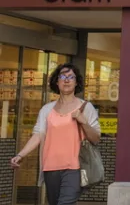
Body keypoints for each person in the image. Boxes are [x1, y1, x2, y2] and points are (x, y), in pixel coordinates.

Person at [10, 63, 101, 205]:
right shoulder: (47, 110)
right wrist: (20, 155)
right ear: (56, 82)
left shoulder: (85, 108)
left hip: (74, 167)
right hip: (50, 167)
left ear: (76, 82)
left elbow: (96, 138)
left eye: (71, 77)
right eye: (63, 76)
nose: (67, 80)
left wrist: (83, 121)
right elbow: (38, 135)